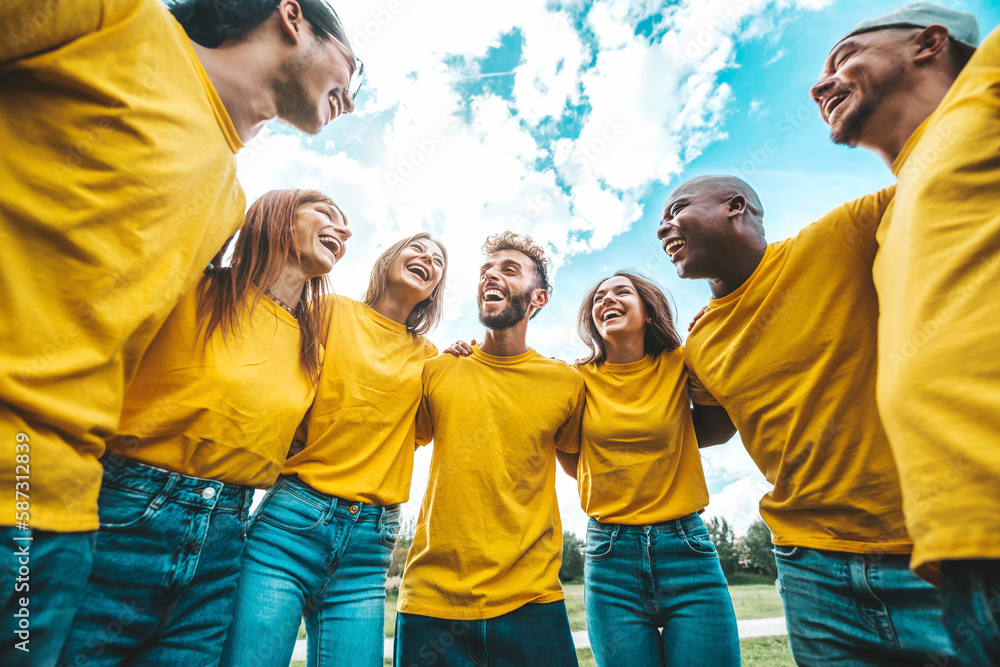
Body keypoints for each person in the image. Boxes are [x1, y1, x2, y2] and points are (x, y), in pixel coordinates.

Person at [0, 1, 358, 661]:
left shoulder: (224, 196)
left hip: (65, 508)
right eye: (351, 71)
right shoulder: (120, 22)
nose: (353, 102)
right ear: (293, 17)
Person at [658, 175, 955, 665]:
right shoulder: (701, 342)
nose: (663, 228)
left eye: (676, 210)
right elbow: (709, 430)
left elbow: (945, 172)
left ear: (736, 207)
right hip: (809, 568)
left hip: (929, 552)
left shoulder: (837, 238)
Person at [56, 188, 350, 665]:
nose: (344, 229)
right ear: (276, 216)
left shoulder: (311, 348)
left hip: (226, 537)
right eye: (326, 212)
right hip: (127, 512)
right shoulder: (195, 286)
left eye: (346, 223)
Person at [811, 5, 999, 662]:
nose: (819, 85)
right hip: (963, 552)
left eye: (841, 59)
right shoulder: (896, 217)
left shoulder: (983, 96)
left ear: (930, 42)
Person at [221, 233, 448, 667]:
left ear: (434, 290)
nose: (428, 259)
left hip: (369, 543)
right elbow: (284, 386)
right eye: (418, 248)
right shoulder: (329, 311)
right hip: (293, 521)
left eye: (438, 261)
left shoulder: (430, 357)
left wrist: (457, 366)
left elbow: (415, 433)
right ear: (389, 260)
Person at [394, 232, 585, 667]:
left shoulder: (565, 383)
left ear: (539, 298)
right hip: (431, 602)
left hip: (532, 601)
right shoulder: (439, 369)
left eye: (509, 269)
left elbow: (579, 466)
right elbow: (395, 441)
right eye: (486, 271)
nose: (491, 276)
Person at [561, 271, 740, 667]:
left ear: (648, 309)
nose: (607, 299)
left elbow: (718, 428)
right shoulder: (576, 379)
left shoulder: (682, 363)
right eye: (598, 298)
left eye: (622, 291)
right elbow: (574, 460)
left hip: (687, 548)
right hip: (610, 557)